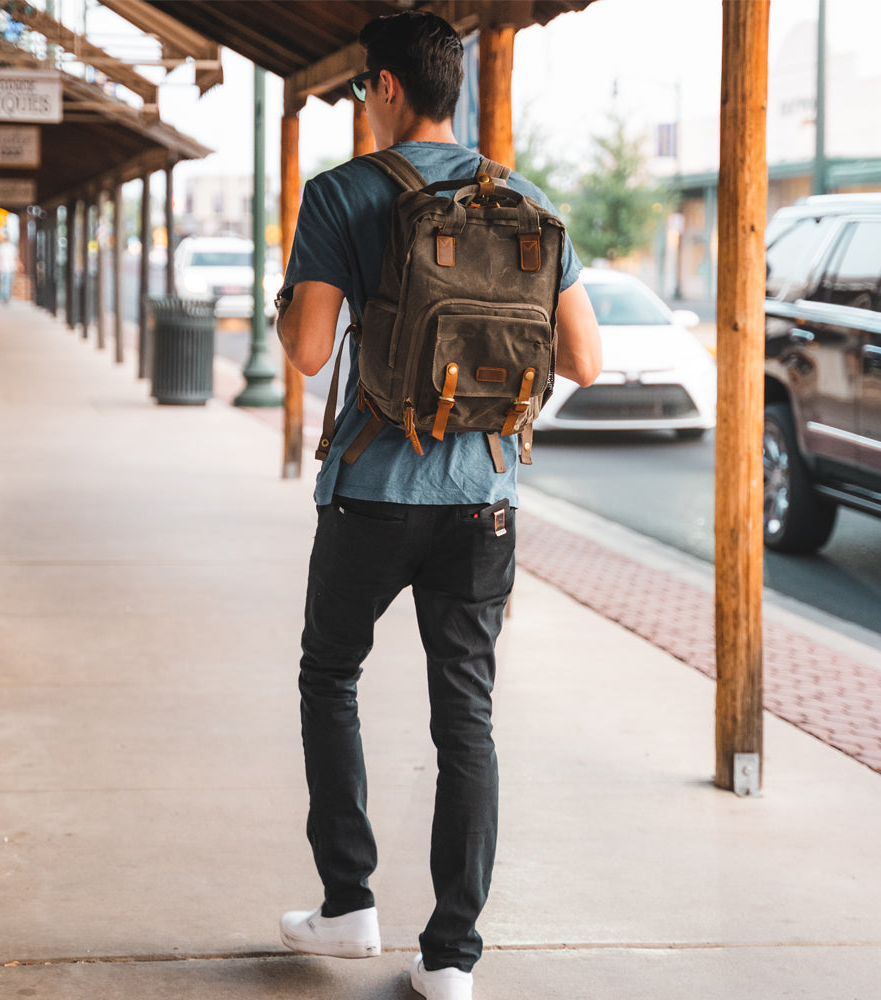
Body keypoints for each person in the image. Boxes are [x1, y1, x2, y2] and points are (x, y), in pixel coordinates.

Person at [276, 11, 602, 1000]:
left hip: (373, 492)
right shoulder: (525, 199)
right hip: (483, 502)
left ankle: (349, 904)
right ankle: (451, 958)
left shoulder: (340, 194)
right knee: (465, 715)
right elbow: (586, 359)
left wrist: (290, 294)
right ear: (451, 84)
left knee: (330, 677)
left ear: (381, 86)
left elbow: (306, 352)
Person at [0, 233, 18, 305]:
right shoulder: (12, 247)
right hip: (10, 267)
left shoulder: (1, 247)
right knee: (8, 282)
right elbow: (15, 258)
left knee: (3, 283)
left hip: (3, 267)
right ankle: (6, 297)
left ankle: (3, 297)